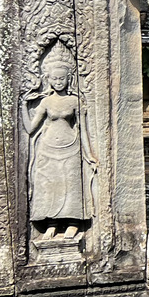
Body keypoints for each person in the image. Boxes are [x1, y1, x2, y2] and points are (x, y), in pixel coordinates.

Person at [26, 40, 93, 242]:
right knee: (48, 185)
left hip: (71, 147)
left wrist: (89, 154)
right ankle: (51, 223)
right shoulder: (45, 102)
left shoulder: (75, 100)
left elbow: (83, 129)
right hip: (47, 148)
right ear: (49, 79)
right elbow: (30, 128)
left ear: (68, 79)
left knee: (71, 184)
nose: (58, 82)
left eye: (62, 78)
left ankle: (73, 222)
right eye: (54, 78)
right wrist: (23, 105)